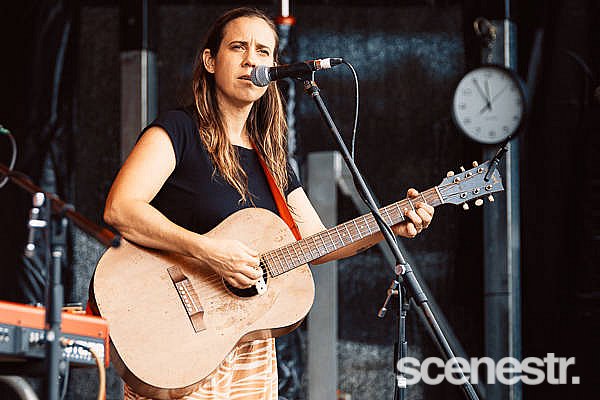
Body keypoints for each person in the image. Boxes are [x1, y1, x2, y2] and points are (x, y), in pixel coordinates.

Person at [103, 7, 434, 400]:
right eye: (238, 47)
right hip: (176, 341)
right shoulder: (179, 131)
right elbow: (121, 209)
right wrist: (209, 252)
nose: (251, 61)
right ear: (210, 60)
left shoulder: (272, 160)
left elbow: (317, 243)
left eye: (263, 51)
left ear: (274, 68)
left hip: (248, 350)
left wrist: (389, 227)